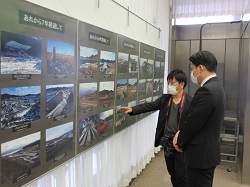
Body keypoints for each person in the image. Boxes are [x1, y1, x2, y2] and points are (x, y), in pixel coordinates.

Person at [119, 69, 192, 187]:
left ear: (182, 84)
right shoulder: (165, 99)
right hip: (167, 142)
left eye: (172, 83)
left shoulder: (190, 101)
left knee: (182, 175)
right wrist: (133, 110)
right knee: (172, 173)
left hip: (181, 144)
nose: (169, 85)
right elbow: (150, 106)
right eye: (168, 82)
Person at [173, 51, 226, 187]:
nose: (192, 73)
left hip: (200, 156)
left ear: (200, 68)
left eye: (192, 69)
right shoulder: (217, 87)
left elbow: (193, 123)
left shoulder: (206, 91)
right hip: (208, 152)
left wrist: (179, 140)